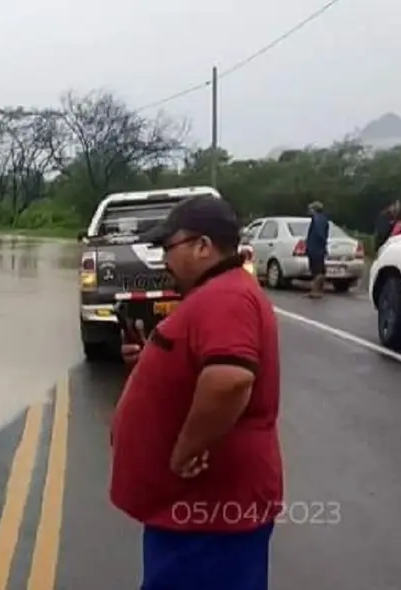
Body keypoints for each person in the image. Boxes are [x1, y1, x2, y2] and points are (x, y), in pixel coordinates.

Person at [112, 195, 283, 590]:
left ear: (203, 246)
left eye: (168, 248)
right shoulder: (219, 294)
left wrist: (186, 448)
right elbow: (207, 368)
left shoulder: (226, 297)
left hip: (209, 515)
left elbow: (230, 380)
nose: (164, 261)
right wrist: (149, 364)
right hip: (194, 515)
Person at [304, 201, 330, 299]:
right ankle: (317, 291)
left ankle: (316, 291)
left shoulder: (318, 219)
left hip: (316, 248)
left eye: (310, 209)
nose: (309, 211)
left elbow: (320, 234)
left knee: (317, 271)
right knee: (319, 270)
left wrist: (321, 244)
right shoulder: (322, 219)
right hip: (317, 248)